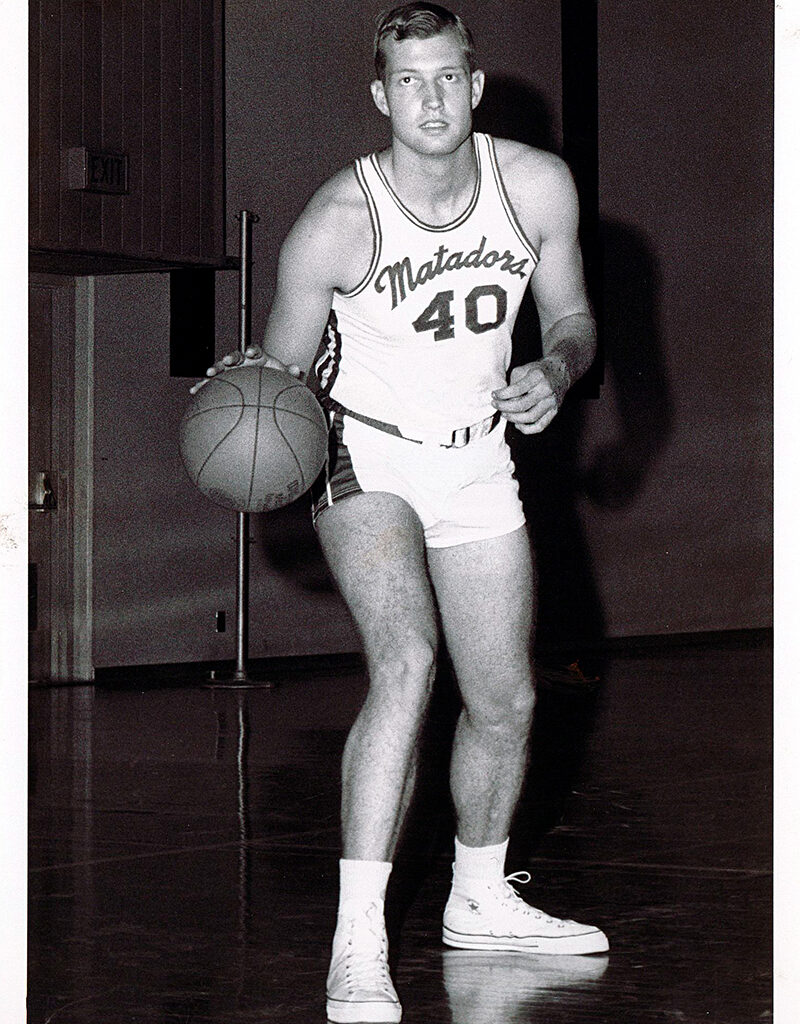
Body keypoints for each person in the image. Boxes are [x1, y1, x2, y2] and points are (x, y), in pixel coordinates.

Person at [194, 4, 608, 1021]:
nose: (431, 98)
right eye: (408, 80)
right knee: (409, 661)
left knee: (506, 700)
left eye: (447, 76)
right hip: (363, 451)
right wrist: (241, 393)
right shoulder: (338, 219)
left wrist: (556, 367)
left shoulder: (535, 185)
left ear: (475, 85)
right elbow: (281, 375)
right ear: (381, 96)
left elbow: (571, 315)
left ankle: (478, 897)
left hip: (477, 454)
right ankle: (358, 940)